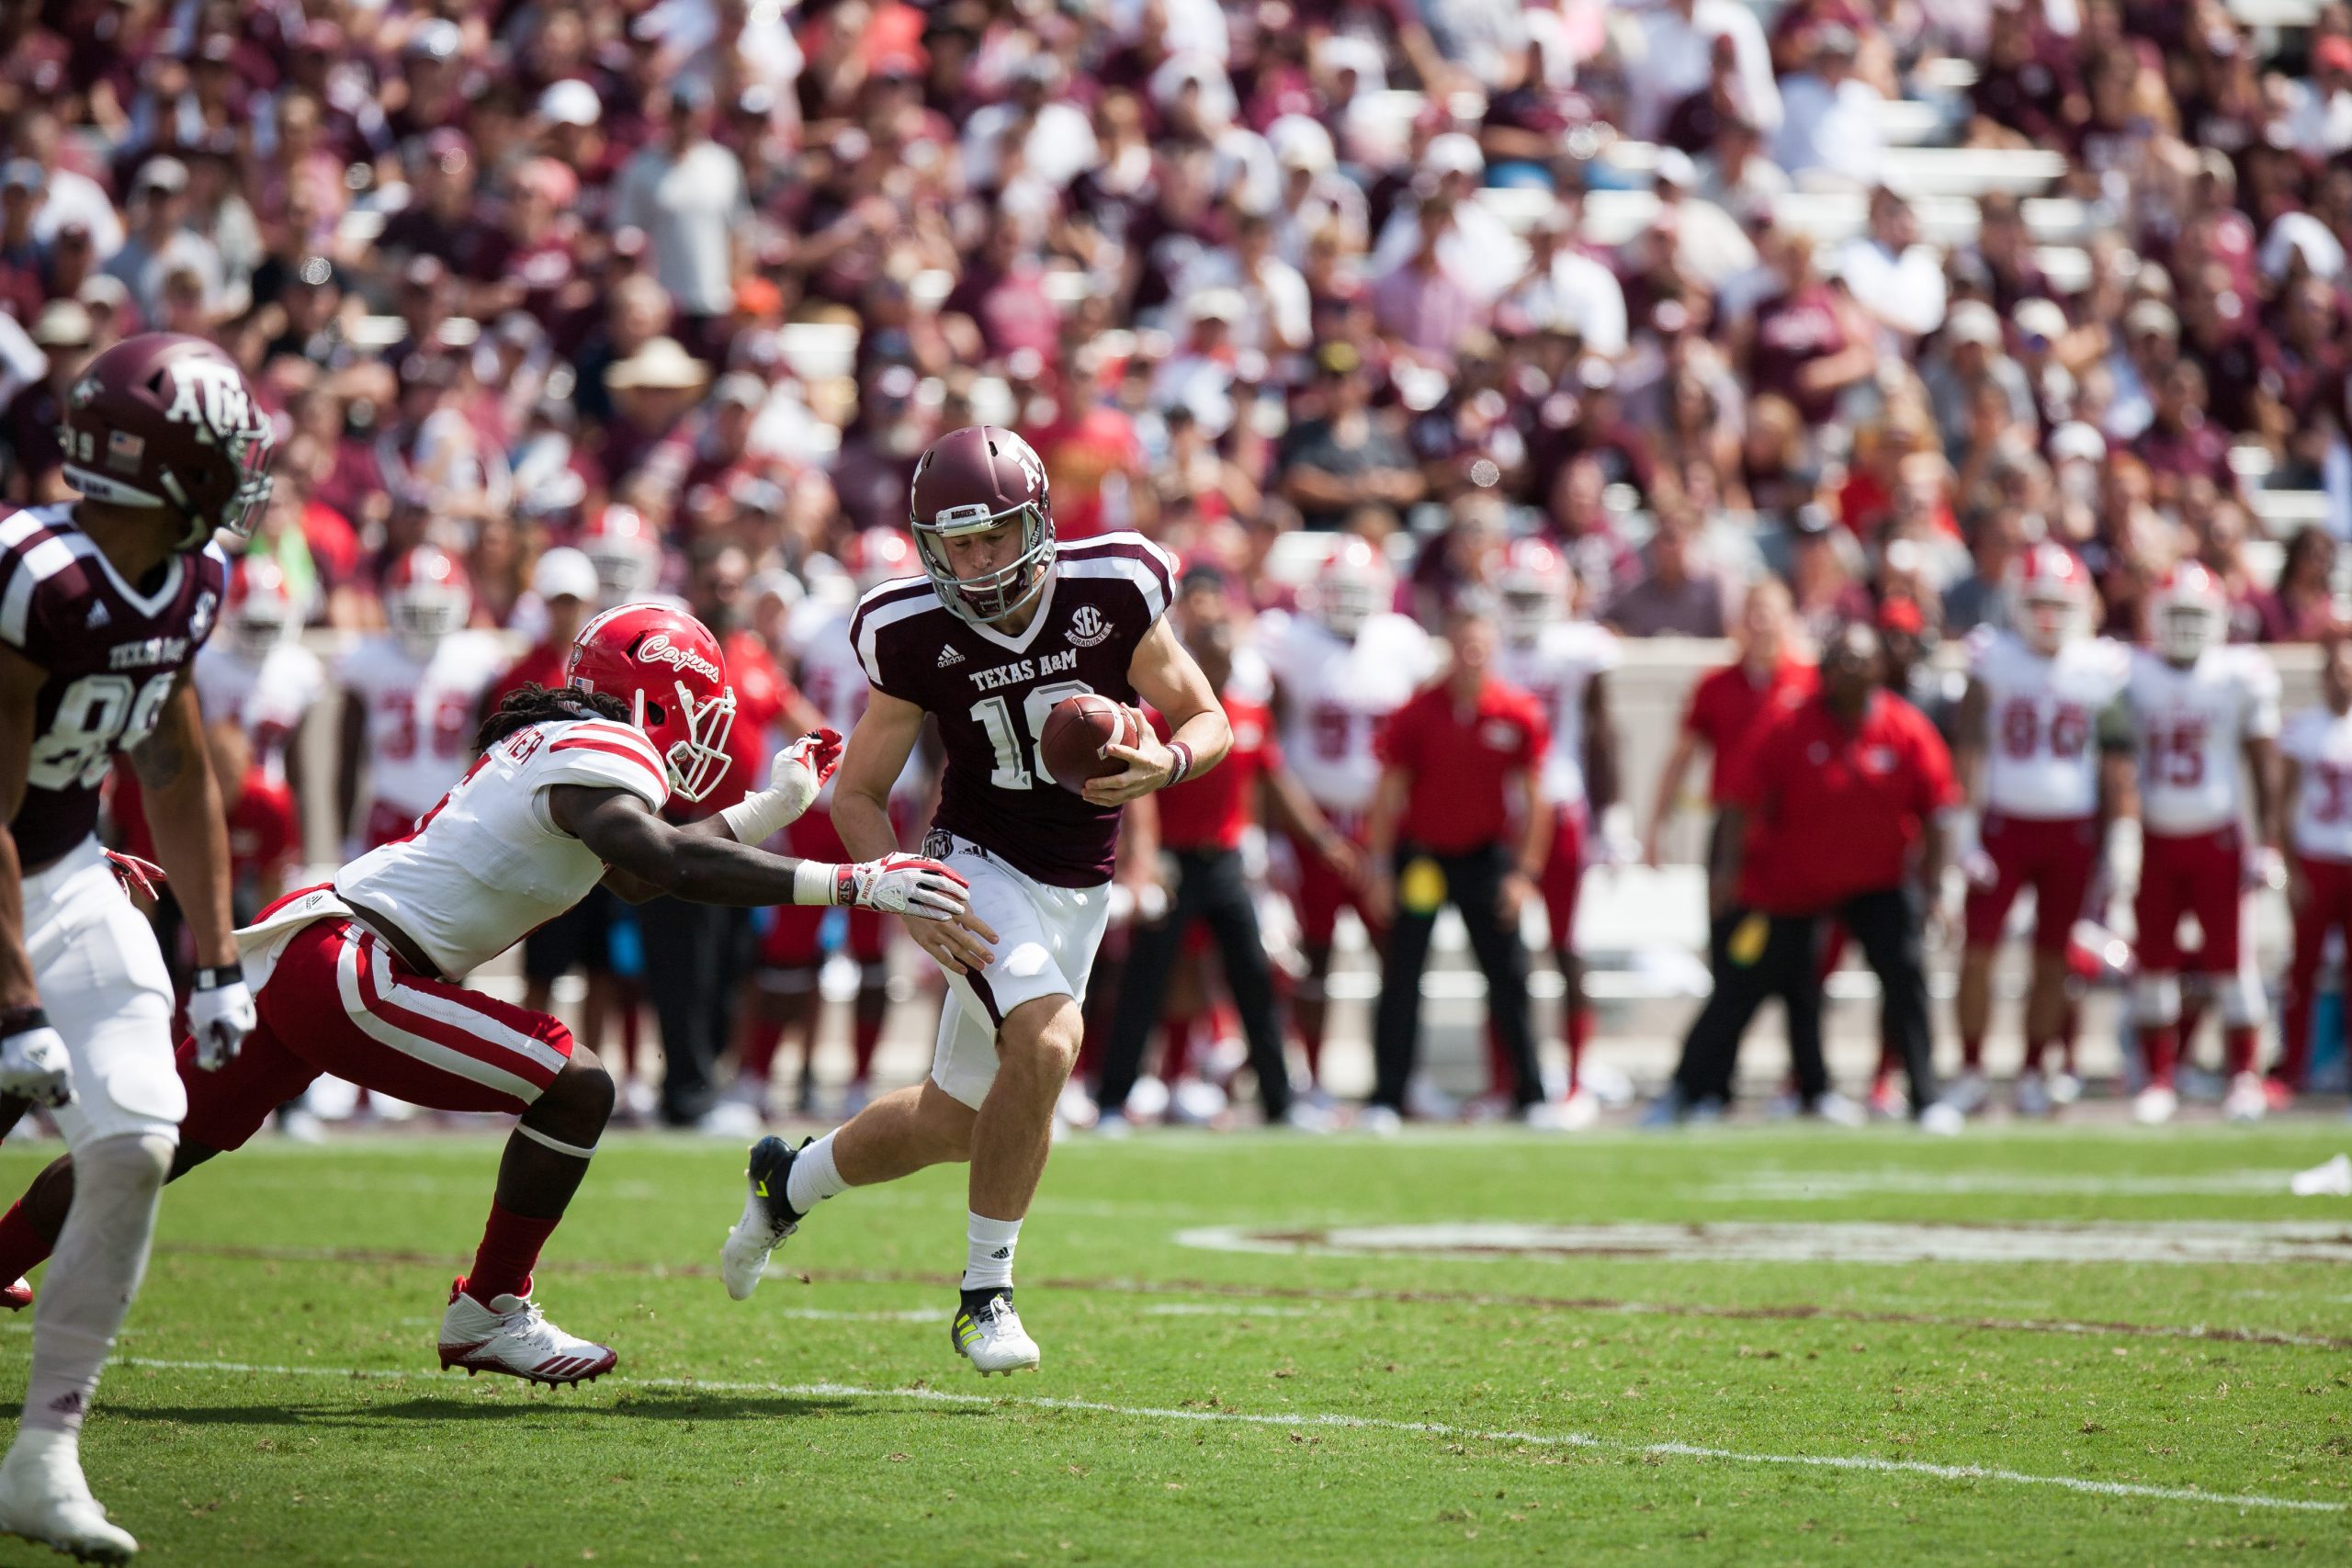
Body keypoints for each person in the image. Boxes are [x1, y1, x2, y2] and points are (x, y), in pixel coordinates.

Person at [0, 606, 969, 1411]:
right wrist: (853, 884)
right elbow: (661, 861)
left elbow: (634, 874)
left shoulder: (556, 744)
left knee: (150, 1149)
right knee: (575, 1082)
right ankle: (492, 1308)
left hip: (317, 950)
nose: (705, 719)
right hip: (358, 964)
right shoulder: (602, 749)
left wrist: (768, 806)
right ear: (650, 694)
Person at [718, 425, 1229, 1377]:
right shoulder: (908, 627)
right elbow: (858, 795)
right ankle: (983, 1296)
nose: (978, 559)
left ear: (1035, 520)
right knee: (1048, 1039)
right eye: (957, 543)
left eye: (994, 535)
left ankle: (785, 1182)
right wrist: (895, 891)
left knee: (951, 1125)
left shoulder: (1113, 586)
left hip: (1077, 882)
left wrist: (1167, 760)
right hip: (973, 862)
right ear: (926, 544)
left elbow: (1209, 718)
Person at [0, 333, 269, 1560]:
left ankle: (44, 1450)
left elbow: (170, 761)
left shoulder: (191, 577)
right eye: (221, 450)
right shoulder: (36, 579)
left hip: (54, 863)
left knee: (140, 1131)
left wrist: (214, 960)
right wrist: (12, 1001)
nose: (240, 473)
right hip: (12, 858)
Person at [1658, 624, 1958, 1128]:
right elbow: (1738, 801)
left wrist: (1936, 887)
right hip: (1790, 883)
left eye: (1860, 660)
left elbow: (1939, 810)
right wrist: (1728, 873)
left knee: (1905, 978)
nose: (1850, 671)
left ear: (1880, 668)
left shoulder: (1904, 727)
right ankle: (1690, 1088)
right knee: (1742, 980)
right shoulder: (1787, 723)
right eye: (1840, 660)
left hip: (1878, 881)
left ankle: (1925, 1096)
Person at [1094, 565, 1348, 1132]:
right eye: (1218, 657)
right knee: (1145, 980)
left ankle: (1281, 1103)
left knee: (1253, 977)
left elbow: (1275, 779)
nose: (1228, 666)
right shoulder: (1164, 717)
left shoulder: (1250, 714)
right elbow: (1143, 795)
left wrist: (1322, 839)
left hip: (1227, 860)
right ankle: (1113, 1100)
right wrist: (1144, 859)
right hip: (1175, 864)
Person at [746, 527, 933, 1118]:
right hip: (819, 800)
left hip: (886, 796)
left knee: (871, 948)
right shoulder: (813, 627)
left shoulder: (922, 631)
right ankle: (759, 1075)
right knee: (789, 947)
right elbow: (779, 689)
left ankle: (857, 1079)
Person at [1949, 543, 2132, 1118]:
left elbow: (2117, 764)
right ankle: (1974, 1069)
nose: (2049, 616)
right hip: (2004, 825)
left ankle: (2033, 1068)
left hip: (2071, 830)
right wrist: (1964, 831)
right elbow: (1970, 745)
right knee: (1976, 953)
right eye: (2037, 603)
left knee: (2054, 960)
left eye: (2059, 603)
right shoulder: (1992, 656)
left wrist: (2120, 841)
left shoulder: (2100, 667)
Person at [1362, 598, 1556, 1130]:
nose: (1472, 655)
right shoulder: (1417, 713)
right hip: (1423, 857)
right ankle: (1387, 1097)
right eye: (1463, 644)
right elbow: (1389, 793)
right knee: (1402, 977)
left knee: (1508, 976)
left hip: (1486, 858)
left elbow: (1539, 798)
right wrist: (1379, 868)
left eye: (1480, 645)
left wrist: (1525, 873)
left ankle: (1531, 1094)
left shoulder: (1517, 712)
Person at [1260, 536, 1435, 1100]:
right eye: (1339, 591)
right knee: (1317, 953)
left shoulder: (1401, 642)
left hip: (1386, 823)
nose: (1350, 603)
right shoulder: (1290, 639)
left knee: (1398, 954)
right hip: (1317, 818)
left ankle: (1400, 1077)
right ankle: (1312, 1077)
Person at [2123, 563, 2281, 1124]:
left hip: (2219, 836)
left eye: (2197, 614)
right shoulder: (2134, 672)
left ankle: (2243, 1076)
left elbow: (2265, 764)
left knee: (2231, 963)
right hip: (2158, 836)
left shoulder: (2237, 673)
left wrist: (2268, 843)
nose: (2187, 626)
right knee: (2155, 965)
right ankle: (2159, 1077)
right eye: (2177, 614)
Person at [1494, 537, 1619, 1121]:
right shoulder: (1483, 649)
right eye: (1513, 594)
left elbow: (1601, 732)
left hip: (1562, 806)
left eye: (1532, 595)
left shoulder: (1577, 649)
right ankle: (1507, 1082)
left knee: (1568, 949)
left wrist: (1614, 813)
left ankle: (1576, 1079)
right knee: (1501, 957)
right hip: (1500, 817)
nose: (1522, 607)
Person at [334, 544, 505, 853]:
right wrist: (345, 836)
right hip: (389, 808)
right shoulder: (368, 660)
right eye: (414, 613)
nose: (425, 624)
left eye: (435, 613)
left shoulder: (479, 661)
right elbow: (348, 757)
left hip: (453, 807)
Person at [1642, 580, 1815, 874]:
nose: (1761, 623)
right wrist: (1656, 827)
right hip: (1732, 822)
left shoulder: (1812, 683)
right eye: (1754, 613)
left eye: (1770, 613)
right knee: (1725, 915)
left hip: (1794, 824)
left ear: (1788, 619)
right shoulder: (1715, 685)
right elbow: (1681, 757)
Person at [2275, 636, 2352, 1105]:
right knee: (2301, 969)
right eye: (2336, 669)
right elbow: (2282, 806)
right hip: (2315, 857)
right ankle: (2293, 1068)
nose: (2342, 678)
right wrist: (2290, 869)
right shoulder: (2302, 729)